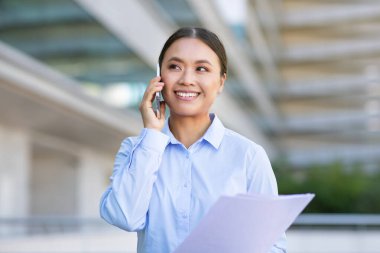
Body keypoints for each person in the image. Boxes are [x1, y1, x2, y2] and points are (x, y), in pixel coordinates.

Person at [99, 27, 286, 253]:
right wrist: (151, 135)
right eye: (175, 67)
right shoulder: (136, 149)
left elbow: (274, 246)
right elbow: (124, 217)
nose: (187, 80)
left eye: (201, 69)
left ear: (221, 82)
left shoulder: (248, 156)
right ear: (159, 77)